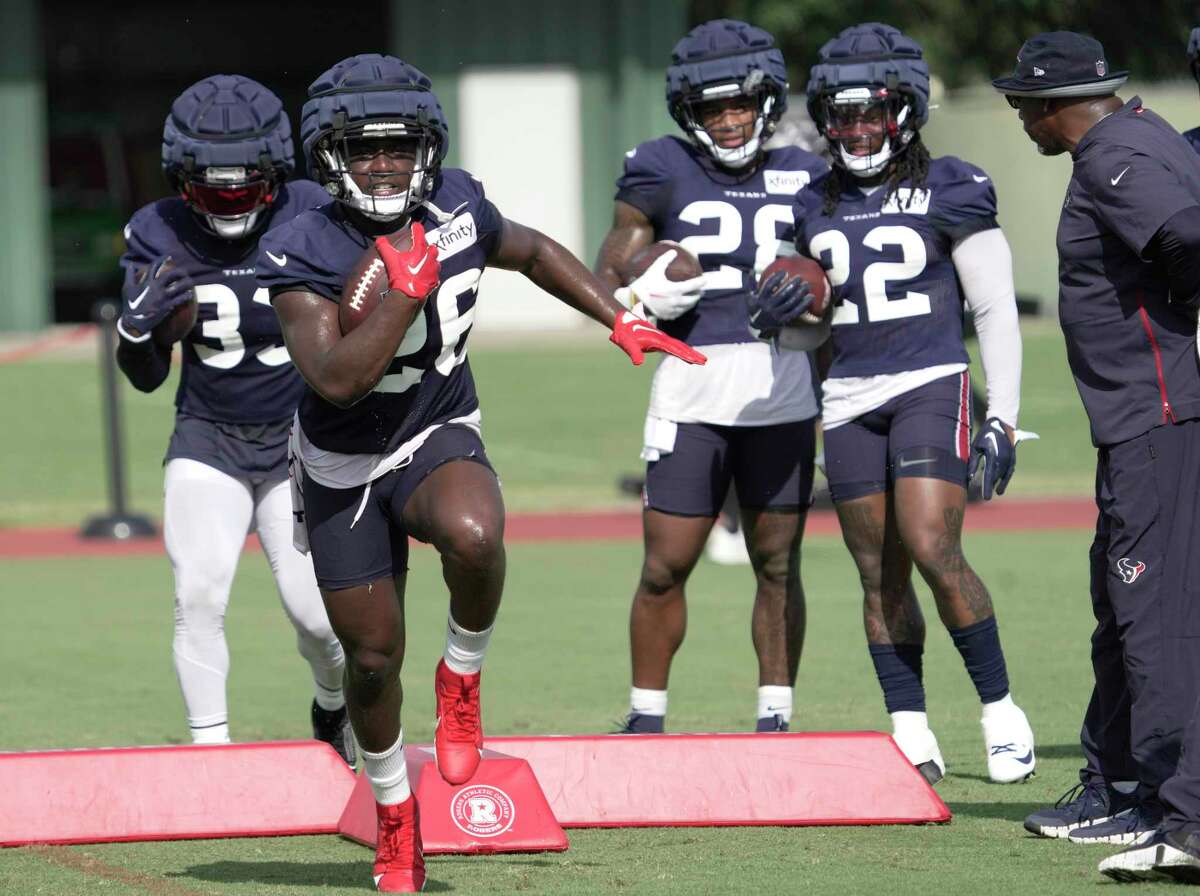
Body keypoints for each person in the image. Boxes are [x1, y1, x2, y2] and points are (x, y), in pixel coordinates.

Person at [257, 54, 703, 893]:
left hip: (434, 426)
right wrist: (401, 291)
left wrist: (619, 317)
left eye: (400, 147)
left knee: (475, 532)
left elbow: (529, 250)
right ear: (328, 156)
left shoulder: (455, 199)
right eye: (365, 150)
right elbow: (339, 379)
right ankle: (395, 818)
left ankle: (462, 676)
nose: (385, 165)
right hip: (343, 460)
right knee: (374, 657)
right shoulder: (301, 241)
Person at [775, 22, 1034, 784]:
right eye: (843, 115)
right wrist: (783, 320)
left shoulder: (951, 182)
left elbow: (993, 309)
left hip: (929, 379)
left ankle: (1000, 710)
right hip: (849, 395)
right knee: (876, 572)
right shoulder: (810, 201)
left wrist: (1004, 416)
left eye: (872, 112)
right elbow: (805, 339)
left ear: (906, 111)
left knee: (930, 545)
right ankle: (910, 729)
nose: (857, 129)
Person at [993, 31, 1200, 858]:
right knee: (1123, 609)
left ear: (1056, 104)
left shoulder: (1111, 157)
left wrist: (1183, 307)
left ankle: (1174, 811)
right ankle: (1126, 788)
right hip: (1142, 422)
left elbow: (1187, 236)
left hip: (1154, 418)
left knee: (1154, 617)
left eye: (1022, 107)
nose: (1020, 122)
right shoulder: (1146, 132)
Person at [593, 18, 827, 736]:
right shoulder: (658, 168)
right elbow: (607, 277)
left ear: (766, 101)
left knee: (777, 565)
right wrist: (642, 300)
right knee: (664, 566)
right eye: (710, 109)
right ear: (685, 113)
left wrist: (817, 297)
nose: (727, 122)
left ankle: (775, 715)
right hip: (690, 389)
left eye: (738, 105)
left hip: (782, 386)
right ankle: (645, 717)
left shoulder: (810, 171)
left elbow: (837, 282)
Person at [116, 75, 351, 759]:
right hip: (208, 436)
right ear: (181, 179)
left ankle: (331, 707)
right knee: (199, 592)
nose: (230, 200)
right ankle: (210, 757)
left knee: (317, 619)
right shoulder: (156, 229)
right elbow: (147, 377)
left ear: (275, 175)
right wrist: (141, 335)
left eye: (245, 186)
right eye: (212, 188)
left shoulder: (311, 210)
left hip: (301, 442)